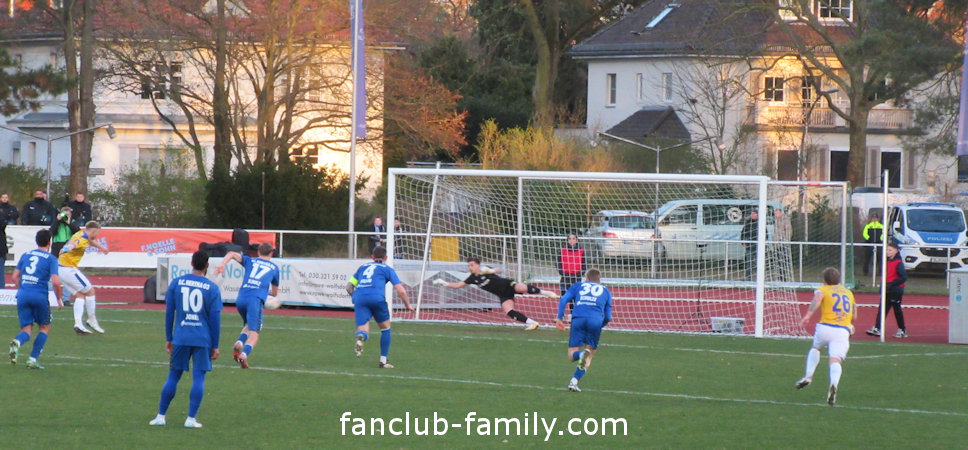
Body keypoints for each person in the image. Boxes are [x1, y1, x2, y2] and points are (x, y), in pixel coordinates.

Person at [149, 250, 222, 429]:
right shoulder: (212, 288)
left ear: (191, 263)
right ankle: (190, 419)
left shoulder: (176, 283)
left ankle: (160, 416)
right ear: (207, 266)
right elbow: (215, 320)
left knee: (173, 376)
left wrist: (169, 337)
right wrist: (215, 345)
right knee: (199, 378)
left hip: (181, 337)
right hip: (202, 338)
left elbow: (169, 312)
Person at [433, 257, 557, 330]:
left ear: (478, 265)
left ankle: (546, 292)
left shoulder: (485, 269)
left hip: (507, 285)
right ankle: (533, 323)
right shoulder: (472, 278)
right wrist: (444, 283)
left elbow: (498, 270)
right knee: (509, 311)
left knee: (521, 287)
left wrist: (490, 271)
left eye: (472, 265)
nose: (470, 267)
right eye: (469, 265)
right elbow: (458, 285)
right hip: (502, 294)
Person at [795, 267, 856, 406]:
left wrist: (808, 316)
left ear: (824, 280)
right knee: (835, 360)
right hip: (842, 331)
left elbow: (817, 299)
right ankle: (833, 384)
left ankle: (808, 376)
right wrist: (850, 323)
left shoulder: (823, 289)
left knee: (816, 348)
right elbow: (854, 315)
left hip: (825, 328)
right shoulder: (848, 292)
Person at [346, 246, 414, 368]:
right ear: (386, 258)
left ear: (372, 257)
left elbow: (348, 287)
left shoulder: (362, 267)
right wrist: (407, 305)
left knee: (363, 330)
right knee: (385, 329)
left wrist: (355, 297)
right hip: (377, 298)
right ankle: (383, 361)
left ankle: (361, 337)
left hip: (360, 298)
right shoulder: (387, 269)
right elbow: (401, 290)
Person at [213, 243, 279, 369]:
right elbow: (275, 293)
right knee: (255, 332)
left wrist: (222, 265)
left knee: (248, 325)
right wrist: (264, 291)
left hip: (241, 299)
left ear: (258, 252)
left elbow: (231, 253)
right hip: (255, 300)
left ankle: (239, 342)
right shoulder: (274, 268)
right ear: (271, 253)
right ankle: (244, 355)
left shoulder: (250, 260)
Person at [8, 229, 63, 369]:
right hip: (39, 296)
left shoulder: (26, 255)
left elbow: (14, 277)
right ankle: (32, 359)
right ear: (49, 242)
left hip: (23, 295)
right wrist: (59, 298)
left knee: (26, 330)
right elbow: (55, 281)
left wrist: (23, 289)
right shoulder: (51, 259)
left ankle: (17, 342)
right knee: (44, 328)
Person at [554, 269, 612, 392]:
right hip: (595, 321)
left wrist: (559, 317)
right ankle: (574, 381)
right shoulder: (606, 291)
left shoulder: (578, 285)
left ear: (586, 278)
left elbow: (563, 300)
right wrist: (599, 325)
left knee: (571, 355)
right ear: (599, 280)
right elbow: (608, 317)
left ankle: (580, 355)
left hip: (578, 319)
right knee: (589, 355)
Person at [59, 221, 110, 334]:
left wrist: (101, 248)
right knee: (90, 291)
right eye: (97, 233)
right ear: (93, 230)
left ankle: (78, 324)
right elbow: (73, 244)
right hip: (69, 269)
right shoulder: (81, 238)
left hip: (61, 269)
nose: (97, 235)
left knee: (80, 295)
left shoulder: (82, 233)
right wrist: (66, 249)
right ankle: (91, 320)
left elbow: (89, 241)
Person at [865, 243, 908, 338]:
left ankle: (902, 330)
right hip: (887, 289)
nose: (888, 252)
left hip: (895, 290)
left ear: (896, 251)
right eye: (887, 250)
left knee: (896, 310)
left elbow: (903, 277)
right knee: (882, 309)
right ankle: (878, 328)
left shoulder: (898, 263)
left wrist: (891, 284)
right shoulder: (887, 261)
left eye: (890, 250)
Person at [557, 234, 586, 321]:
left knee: (574, 297)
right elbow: (558, 262)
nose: (571, 240)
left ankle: (572, 314)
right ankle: (560, 315)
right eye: (569, 239)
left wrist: (580, 273)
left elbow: (584, 264)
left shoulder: (581, 251)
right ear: (567, 240)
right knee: (563, 296)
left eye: (573, 239)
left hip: (576, 277)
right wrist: (561, 272)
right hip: (565, 276)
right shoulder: (563, 250)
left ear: (577, 240)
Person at [740, 210, 759, 280]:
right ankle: (748, 277)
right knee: (748, 263)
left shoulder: (760, 223)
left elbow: (765, 234)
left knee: (757, 263)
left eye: (754, 214)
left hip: (757, 246)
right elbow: (743, 233)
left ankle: (758, 277)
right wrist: (743, 242)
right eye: (752, 214)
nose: (752, 215)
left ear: (757, 215)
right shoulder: (748, 223)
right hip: (749, 246)